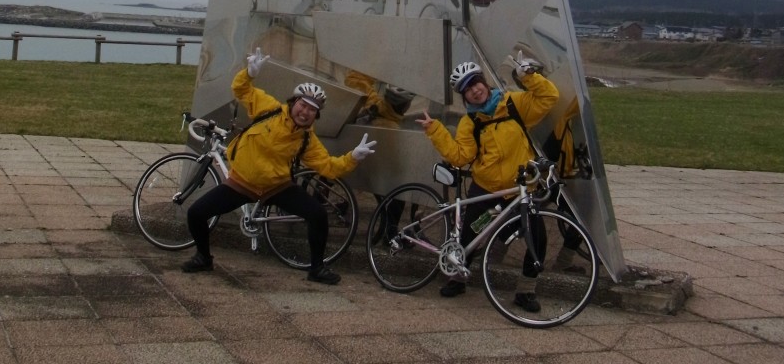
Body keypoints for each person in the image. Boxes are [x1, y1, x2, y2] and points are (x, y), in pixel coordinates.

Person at [181, 48, 376, 284]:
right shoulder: (269, 108)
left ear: (316, 116)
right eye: (303, 105)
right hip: (242, 182)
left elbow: (329, 168)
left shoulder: (306, 139)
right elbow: (241, 90)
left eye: (312, 110)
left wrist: (353, 156)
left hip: (277, 186)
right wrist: (249, 73)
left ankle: (317, 268)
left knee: (317, 214)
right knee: (196, 213)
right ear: (293, 102)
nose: (305, 112)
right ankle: (203, 257)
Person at [417, 54, 559, 305]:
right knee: (469, 236)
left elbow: (549, 97)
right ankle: (457, 278)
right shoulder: (469, 122)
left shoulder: (513, 105)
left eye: (475, 83)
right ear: (463, 96)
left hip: (521, 190)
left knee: (537, 238)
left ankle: (526, 291)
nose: (474, 91)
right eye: (467, 89)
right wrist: (436, 131)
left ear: (484, 81)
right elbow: (461, 157)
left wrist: (528, 76)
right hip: (486, 190)